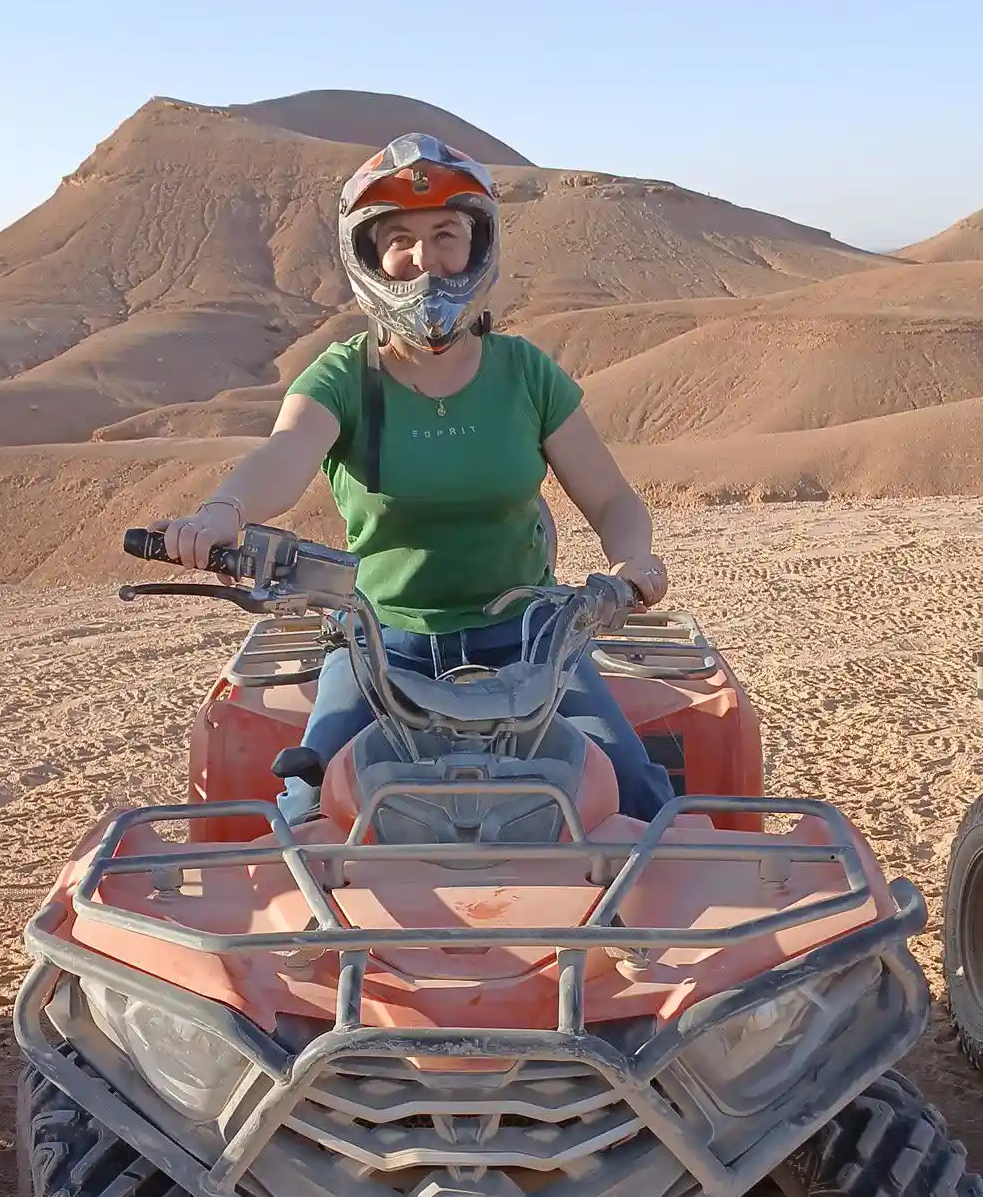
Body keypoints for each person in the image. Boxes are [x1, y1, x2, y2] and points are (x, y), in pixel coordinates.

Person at [154, 132, 673, 822]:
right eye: (399, 238)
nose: (425, 259)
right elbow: (285, 453)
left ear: (477, 246)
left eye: (445, 235)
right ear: (369, 256)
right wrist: (224, 511)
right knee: (311, 807)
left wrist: (632, 558)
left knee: (632, 790)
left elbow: (610, 498)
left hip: (531, 640)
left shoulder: (525, 373)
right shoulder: (344, 375)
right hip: (381, 642)